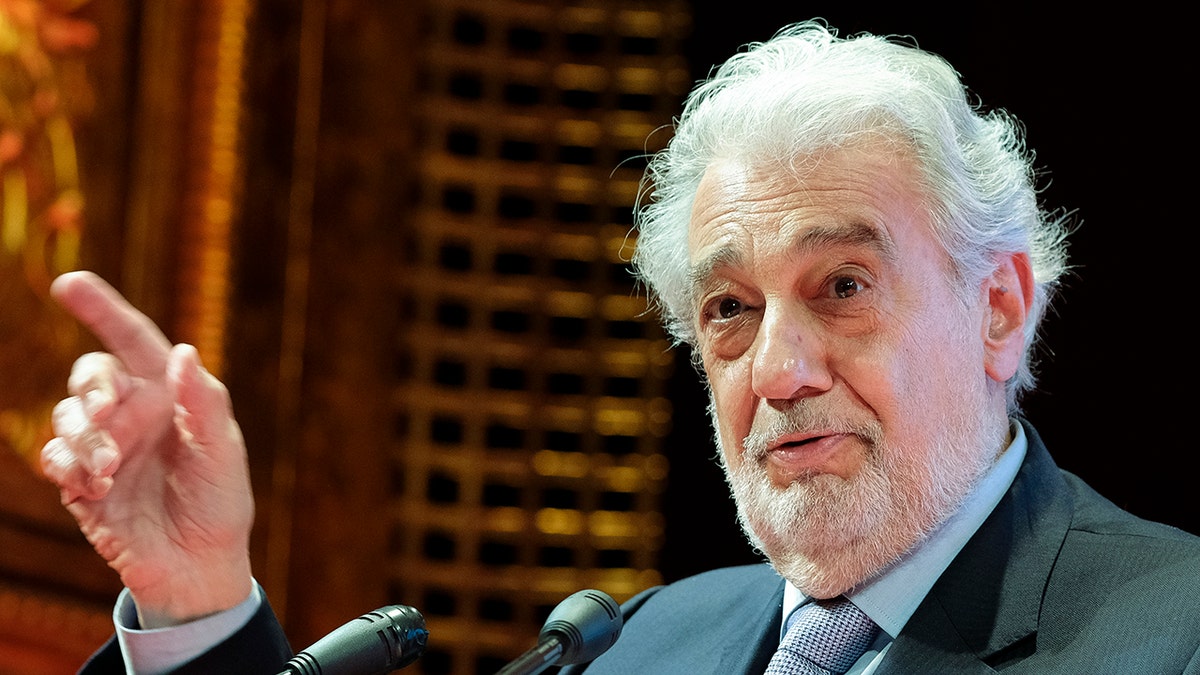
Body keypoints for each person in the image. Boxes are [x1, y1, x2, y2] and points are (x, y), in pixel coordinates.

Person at [42, 20, 1199, 675]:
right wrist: (194, 598)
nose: (779, 373)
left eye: (843, 285)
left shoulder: (1173, 631)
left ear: (1000, 308)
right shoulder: (632, 648)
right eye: (731, 312)